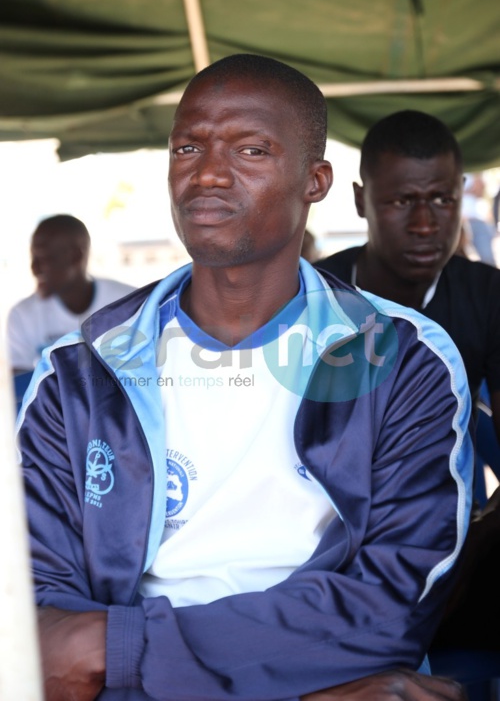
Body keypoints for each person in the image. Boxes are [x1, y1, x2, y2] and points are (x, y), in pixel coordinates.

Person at [17, 55, 473, 701]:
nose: (206, 173)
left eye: (252, 150)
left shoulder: (401, 358)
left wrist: (118, 650)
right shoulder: (80, 370)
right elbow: (41, 625)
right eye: (187, 146)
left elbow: (393, 603)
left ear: (314, 181)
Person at [314, 109, 500, 658]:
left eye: (441, 200)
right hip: (323, 541)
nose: (425, 225)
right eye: (401, 202)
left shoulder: (488, 297)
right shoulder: (311, 298)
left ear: (461, 193)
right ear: (359, 199)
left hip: (453, 539)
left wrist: (463, 558)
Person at [7, 214, 135, 374]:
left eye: (44, 258)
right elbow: (22, 390)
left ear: (76, 256)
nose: (35, 268)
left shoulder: (130, 303)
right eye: (33, 258)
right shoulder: (23, 315)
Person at [461, 173, 497, 267]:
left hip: (475, 219)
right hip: (458, 222)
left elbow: (479, 192)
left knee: (488, 260)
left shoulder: (474, 172)